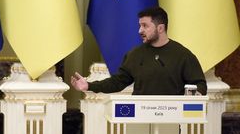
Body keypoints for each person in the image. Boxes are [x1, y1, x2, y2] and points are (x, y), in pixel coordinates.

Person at [71, 6, 207, 95]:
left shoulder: (183, 55)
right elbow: (117, 82)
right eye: (139, 25)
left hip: (172, 119)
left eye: (145, 26)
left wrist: (196, 95)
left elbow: (199, 84)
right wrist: (89, 85)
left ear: (160, 28)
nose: (140, 30)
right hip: (139, 117)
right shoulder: (134, 54)